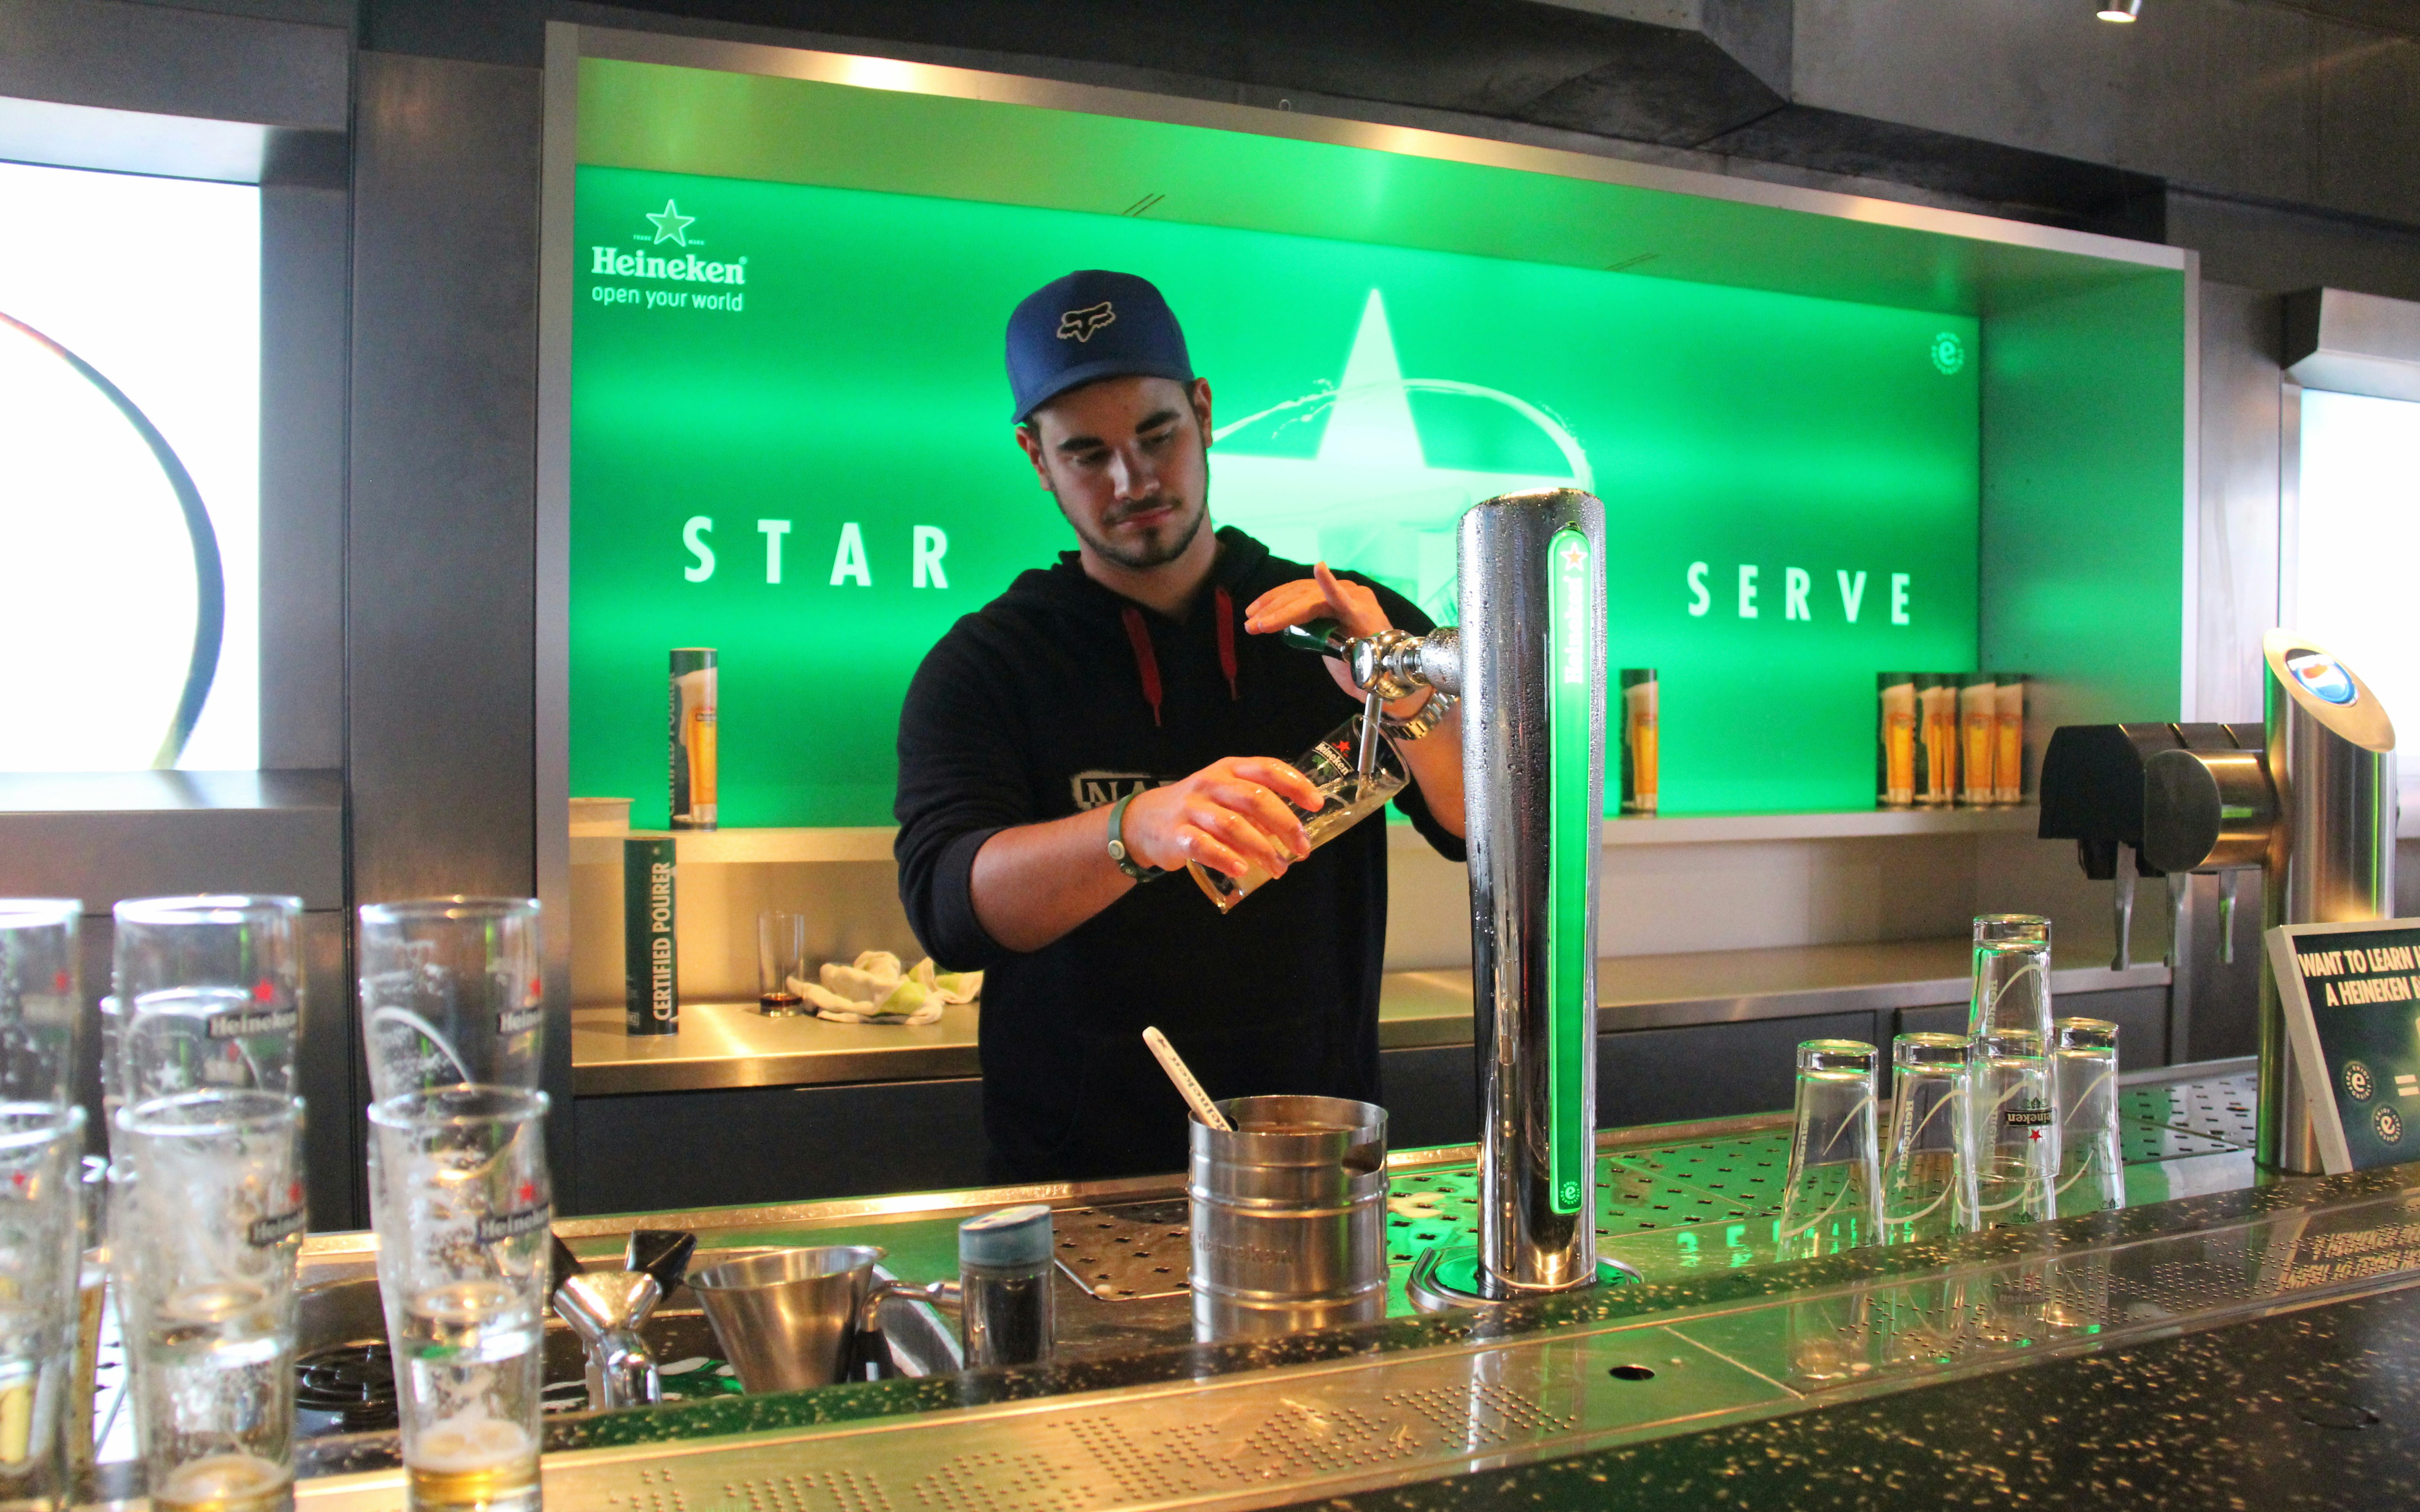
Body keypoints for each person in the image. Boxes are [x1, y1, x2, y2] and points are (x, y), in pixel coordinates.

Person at [895, 270, 1467, 1181]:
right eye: (1086, 454)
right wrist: (1140, 828)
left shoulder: (1341, 622)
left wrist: (1399, 682)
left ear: (1202, 412)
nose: (1134, 479)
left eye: (1157, 434)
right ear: (1036, 459)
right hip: (1077, 1183)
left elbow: (1483, 828)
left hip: (1314, 1163)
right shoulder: (988, 666)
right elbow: (951, 909)